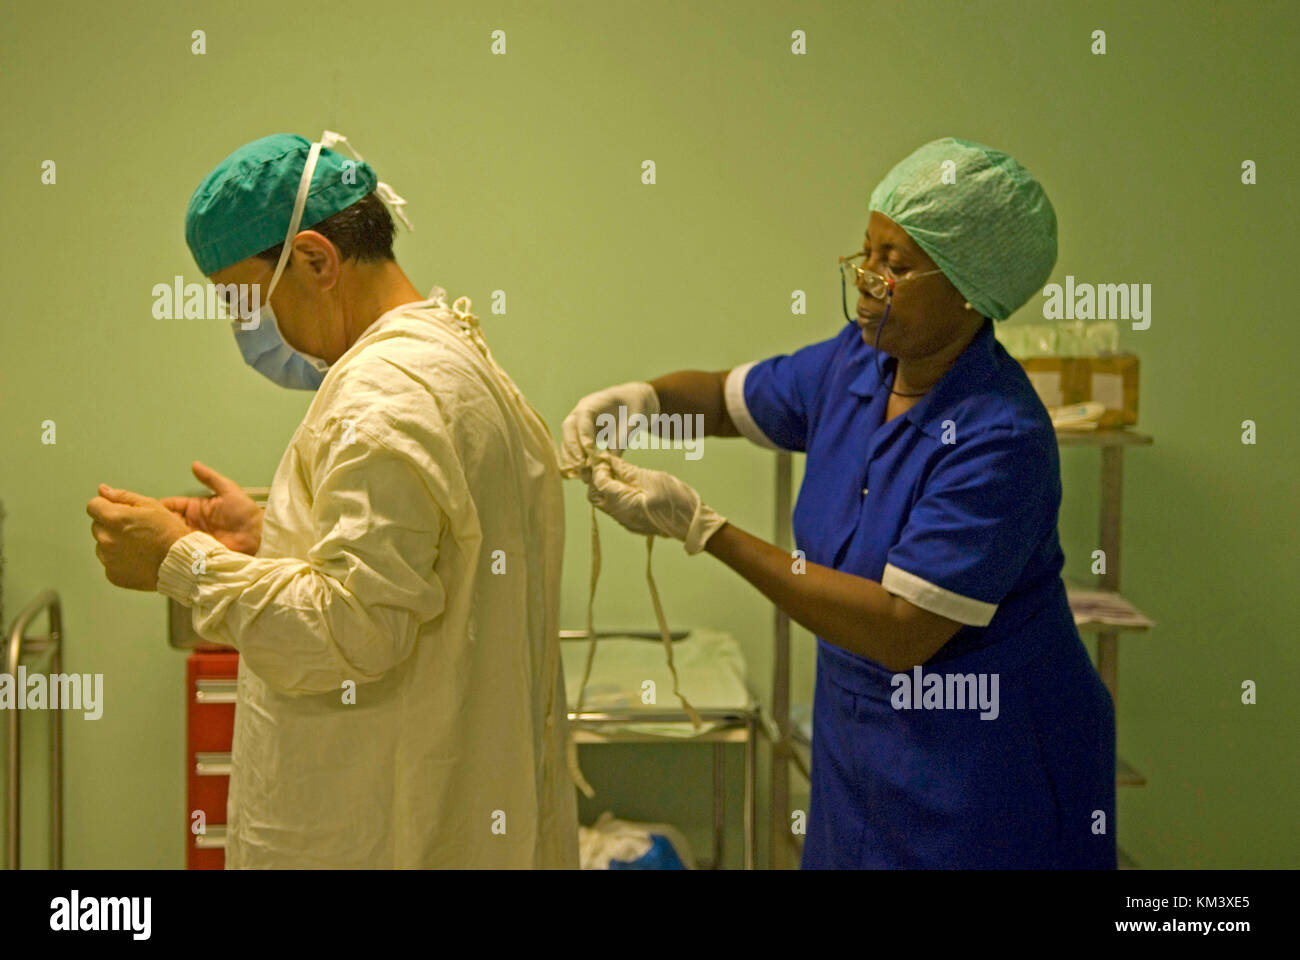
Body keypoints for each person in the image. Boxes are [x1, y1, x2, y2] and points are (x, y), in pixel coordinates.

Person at [562, 138, 1116, 869]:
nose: (867, 280)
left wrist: (704, 530)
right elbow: (728, 401)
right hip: (862, 748)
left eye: (896, 265)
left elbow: (898, 629)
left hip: (986, 762)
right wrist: (645, 400)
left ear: (969, 287)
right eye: (866, 253)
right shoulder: (858, 362)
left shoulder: (997, 436)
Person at [86, 132, 578, 868]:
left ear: (316, 260)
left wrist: (179, 564)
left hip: (393, 831)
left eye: (242, 299)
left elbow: (353, 629)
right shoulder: (455, 362)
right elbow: (421, 565)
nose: (246, 330)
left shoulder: (380, 398)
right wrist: (273, 539)